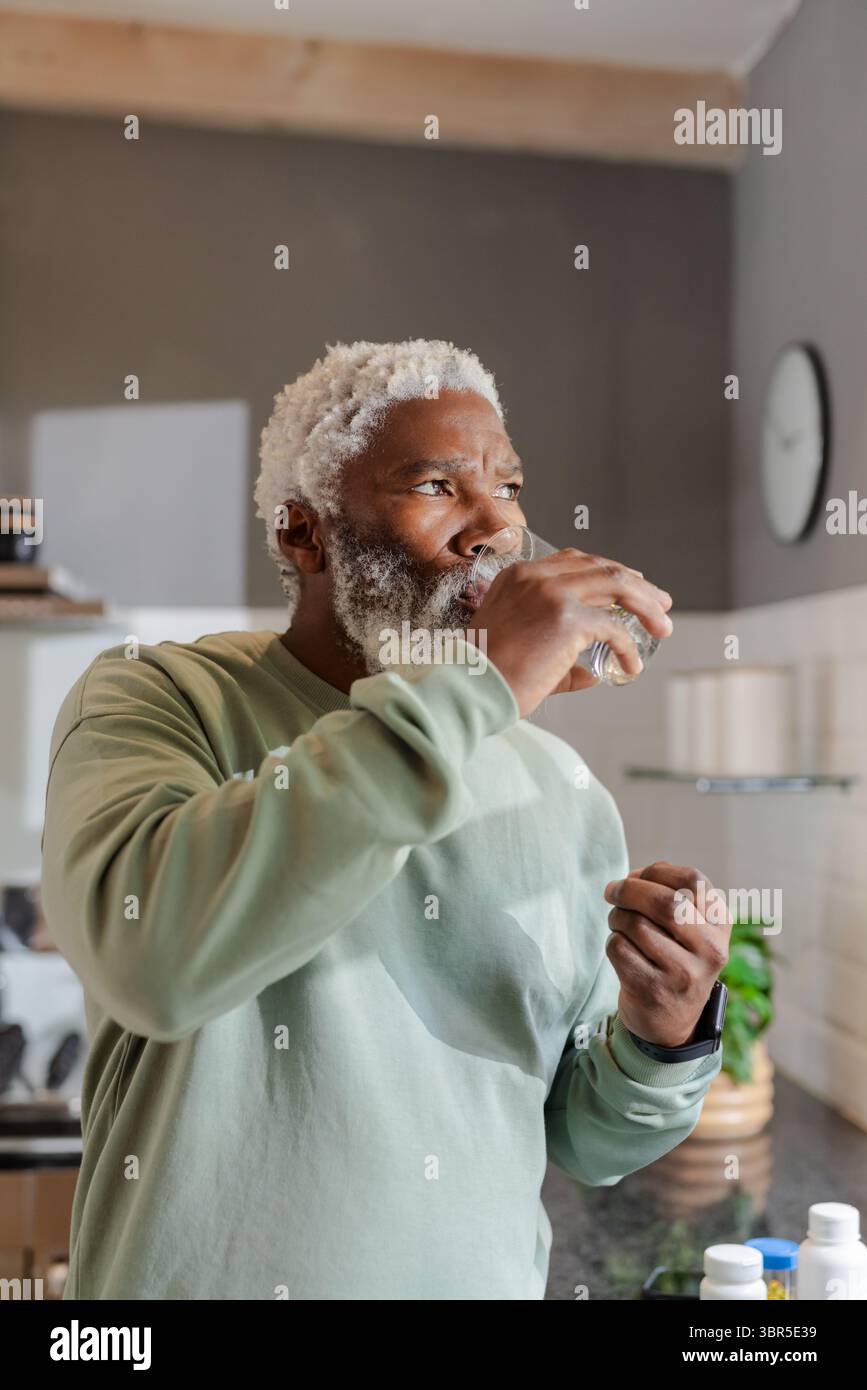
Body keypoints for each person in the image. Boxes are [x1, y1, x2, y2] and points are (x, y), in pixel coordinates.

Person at [41, 338, 729, 1300]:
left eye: (509, 486)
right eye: (438, 486)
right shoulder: (159, 698)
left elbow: (584, 1138)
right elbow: (152, 959)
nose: (495, 527)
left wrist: (663, 1036)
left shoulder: (558, 784)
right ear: (303, 535)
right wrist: (478, 684)